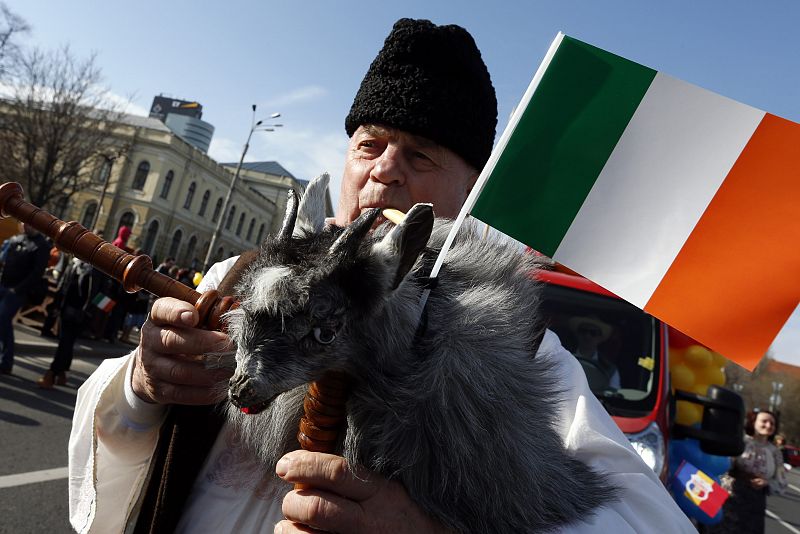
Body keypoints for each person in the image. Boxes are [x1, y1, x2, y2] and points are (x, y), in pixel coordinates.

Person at [69, 18, 694, 533]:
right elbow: (115, 426)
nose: (385, 172)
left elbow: (649, 519)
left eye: (420, 154)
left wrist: (429, 529)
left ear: (469, 188)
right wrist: (142, 383)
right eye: (369, 146)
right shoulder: (240, 278)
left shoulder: (523, 350)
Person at [708, 410, 788, 534]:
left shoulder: (775, 452)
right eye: (764, 421)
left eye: (772, 423)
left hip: (754, 504)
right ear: (753, 422)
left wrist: (767, 483)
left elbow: (781, 483)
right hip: (729, 494)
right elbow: (722, 465)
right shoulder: (741, 442)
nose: (768, 425)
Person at [37, 257, 101, 388]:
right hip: (66, 310)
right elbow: (62, 284)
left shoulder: (99, 269)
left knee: (65, 342)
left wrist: (94, 314)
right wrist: (56, 305)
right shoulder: (74, 263)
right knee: (66, 342)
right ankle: (61, 374)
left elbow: (103, 293)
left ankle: (51, 373)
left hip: (83, 314)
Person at [0, 223, 50, 374]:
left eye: (29, 223)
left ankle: (6, 361)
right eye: (24, 223)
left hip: (17, 291)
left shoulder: (41, 245)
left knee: (2, 319)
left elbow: (37, 273)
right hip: (4, 285)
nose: (26, 225)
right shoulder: (17, 239)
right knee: (2, 322)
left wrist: (18, 289)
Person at [569, 316, 621, 390]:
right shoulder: (564, 359)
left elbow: (613, 396)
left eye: (593, 333)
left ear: (600, 338)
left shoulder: (610, 370)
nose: (587, 336)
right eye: (583, 331)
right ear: (577, 334)